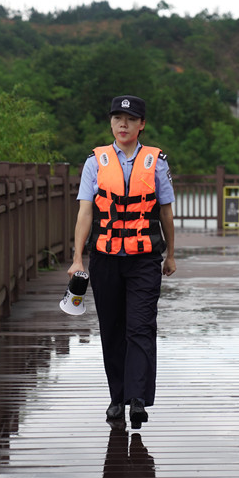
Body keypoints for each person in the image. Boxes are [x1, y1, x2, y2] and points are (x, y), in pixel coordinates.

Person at [68, 94, 177, 430]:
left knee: (141, 327)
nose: (123, 125)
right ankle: (118, 397)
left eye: (130, 119)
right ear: (111, 123)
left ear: (141, 124)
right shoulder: (94, 163)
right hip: (105, 258)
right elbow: (86, 212)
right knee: (112, 329)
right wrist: (76, 258)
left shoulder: (156, 161)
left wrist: (171, 254)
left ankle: (139, 400)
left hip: (144, 258)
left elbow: (166, 212)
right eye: (117, 119)